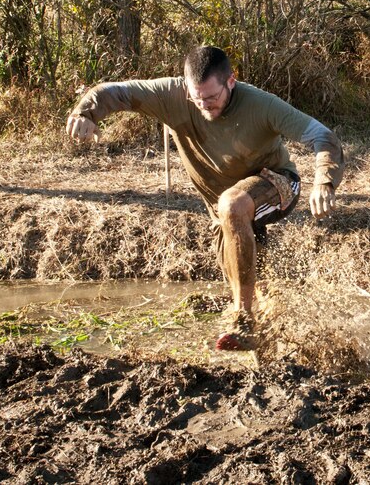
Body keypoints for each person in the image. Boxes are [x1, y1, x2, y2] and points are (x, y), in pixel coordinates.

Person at [65, 45, 344, 350]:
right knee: (250, 282)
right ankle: (281, 336)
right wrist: (86, 112)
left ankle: (241, 320)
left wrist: (324, 182)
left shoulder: (262, 105)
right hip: (224, 212)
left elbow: (322, 136)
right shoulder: (171, 95)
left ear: (231, 82)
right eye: (197, 99)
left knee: (231, 204)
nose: (205, 106)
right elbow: (115, 92)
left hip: (277, 185)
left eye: (212, 98)